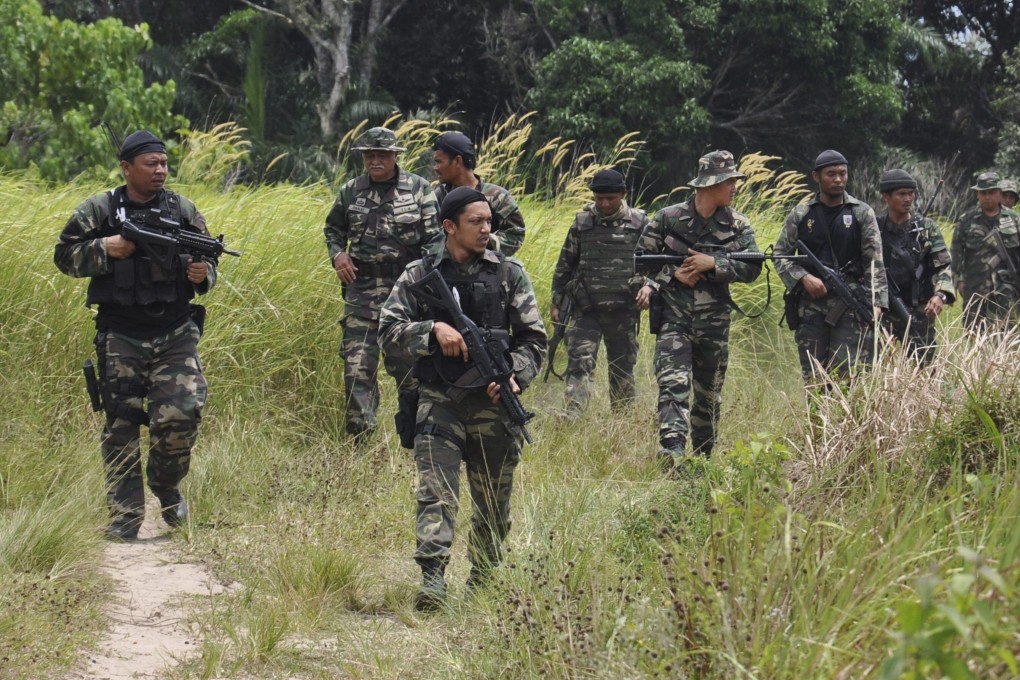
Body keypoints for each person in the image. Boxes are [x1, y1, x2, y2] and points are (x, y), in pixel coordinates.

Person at [378, 187, 546, 610]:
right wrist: (431, 330)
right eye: (476, 222)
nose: (486, 229)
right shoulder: (419, 274)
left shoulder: (509, 274)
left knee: (493, 498)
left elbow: (535, 340)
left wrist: (515, 378)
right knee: (437, 491)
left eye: (489, 221)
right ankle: (433, 580)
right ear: (448, 227)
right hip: (441, 399)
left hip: (493, 406)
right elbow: (387, 330)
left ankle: (484, 577)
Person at [54, 131, 215, 541]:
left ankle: (166, 486)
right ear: (127, 168)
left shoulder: (182, 208)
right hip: (121, 332)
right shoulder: (100, 209)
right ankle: (125, 516)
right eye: (151, 164)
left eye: (164, 163)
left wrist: (202, 274)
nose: (160, 170)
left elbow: (207, 260)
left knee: (182, 414)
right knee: (121, 424)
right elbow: (64, 256)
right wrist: (105, 248)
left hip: (175, 330)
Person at [634, 151, 761, 466]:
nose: (734, 187)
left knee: (709, 397)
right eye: (728, 181)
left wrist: (713, 264)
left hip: (714, 326)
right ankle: (673, 452)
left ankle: (702, 460)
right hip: (674, 320)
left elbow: (754, 268)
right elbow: (638, 262)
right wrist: (668, 276)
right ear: (710, 184)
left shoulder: (739, 224)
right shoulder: (667, 219)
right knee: (673, 384)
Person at [324, 126, 441, 439]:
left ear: (394, 156)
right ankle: (361, 440)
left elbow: (435, 240)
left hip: (404, 294)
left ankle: (419, 437)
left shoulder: (418, 189)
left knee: (408, 371)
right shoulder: (351, 191)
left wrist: (420, 279)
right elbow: (333, 230)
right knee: (356, 369)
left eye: (382, 155)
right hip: (361, 293)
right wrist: (338, 256)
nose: (375, 161)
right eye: (370, 155)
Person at [774, 150, 888, 381]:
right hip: (810, 306)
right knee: (814, 378)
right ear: (816, 177)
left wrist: (877, 303)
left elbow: (874, 261)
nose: (838, 179)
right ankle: (816, 419)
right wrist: (803, 278)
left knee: (845, 376)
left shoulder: (861, 212)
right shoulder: (802, 213)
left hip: (849, 304)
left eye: (843, 173)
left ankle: (842, 419)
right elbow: (780, 254)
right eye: (831, 174)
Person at [550, 169, 649, 416]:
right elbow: (565, 264)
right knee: (579, 364)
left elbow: (655, 262)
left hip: (624, 309)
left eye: (611, 198)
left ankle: (622, 422)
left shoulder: (639, 224)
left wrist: (649, 286)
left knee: (622, 368)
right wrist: (556, 301)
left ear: (623, 194)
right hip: (586, 308)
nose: (604, 204)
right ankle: (573, 416)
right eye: (599, 198)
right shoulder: (582, 223)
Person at [876, 169, 954, 362]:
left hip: (918, 311)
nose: (908, 199)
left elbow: (943, 266)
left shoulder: (927, 228)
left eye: (911, 193)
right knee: (875, 370)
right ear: (886, 197)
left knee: (924, 368)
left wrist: (940, 295)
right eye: (902, 194)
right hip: (881, 312)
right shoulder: (873, 228)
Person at [432, 131, 527, 255]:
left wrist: (482, 242)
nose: (435, 167)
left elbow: (516, 234)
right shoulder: (438, 196)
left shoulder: (497, 196)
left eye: (439, 162)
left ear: (457, 161)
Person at [950, 172, 1020, 328]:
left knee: (1006, 337)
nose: (987, 197)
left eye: (992, 192)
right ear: (977, 194)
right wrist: (957, 282)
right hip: (975, 288)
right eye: (983, 193)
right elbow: (955, 254)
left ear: (999, 193)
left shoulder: (1014, 220)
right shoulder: (966, 220)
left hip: (1007, 290)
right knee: (974, 333)